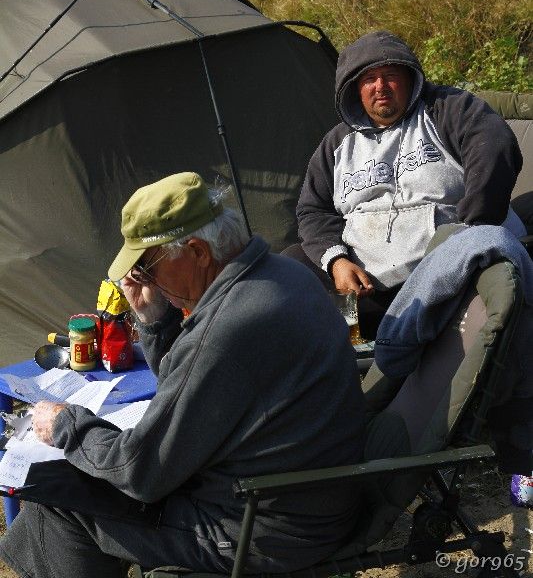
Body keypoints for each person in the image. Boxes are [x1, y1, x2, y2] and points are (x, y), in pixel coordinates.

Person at [0, 172, 366, 578]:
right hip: (310, 503)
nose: (141, 279)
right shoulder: (283, 273)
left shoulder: (227, 327)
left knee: (60, 498)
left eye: (146, 266)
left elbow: (140, 472)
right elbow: (184, 385)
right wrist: (154, 320)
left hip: (261, 529)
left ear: (196, 252)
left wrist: (66, 425)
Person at [295, 30, 525, 339]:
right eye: (369, 79)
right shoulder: (336, 144)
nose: (380, 86)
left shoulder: (446, 109)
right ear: (355, 89)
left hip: (445, 273)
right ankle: (345, 345)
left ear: (409, 78)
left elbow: (494, 147)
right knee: (292, 265)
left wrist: (471, 231)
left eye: (390, 76)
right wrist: (336, 261)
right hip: (366, 286)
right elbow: (313, 210)